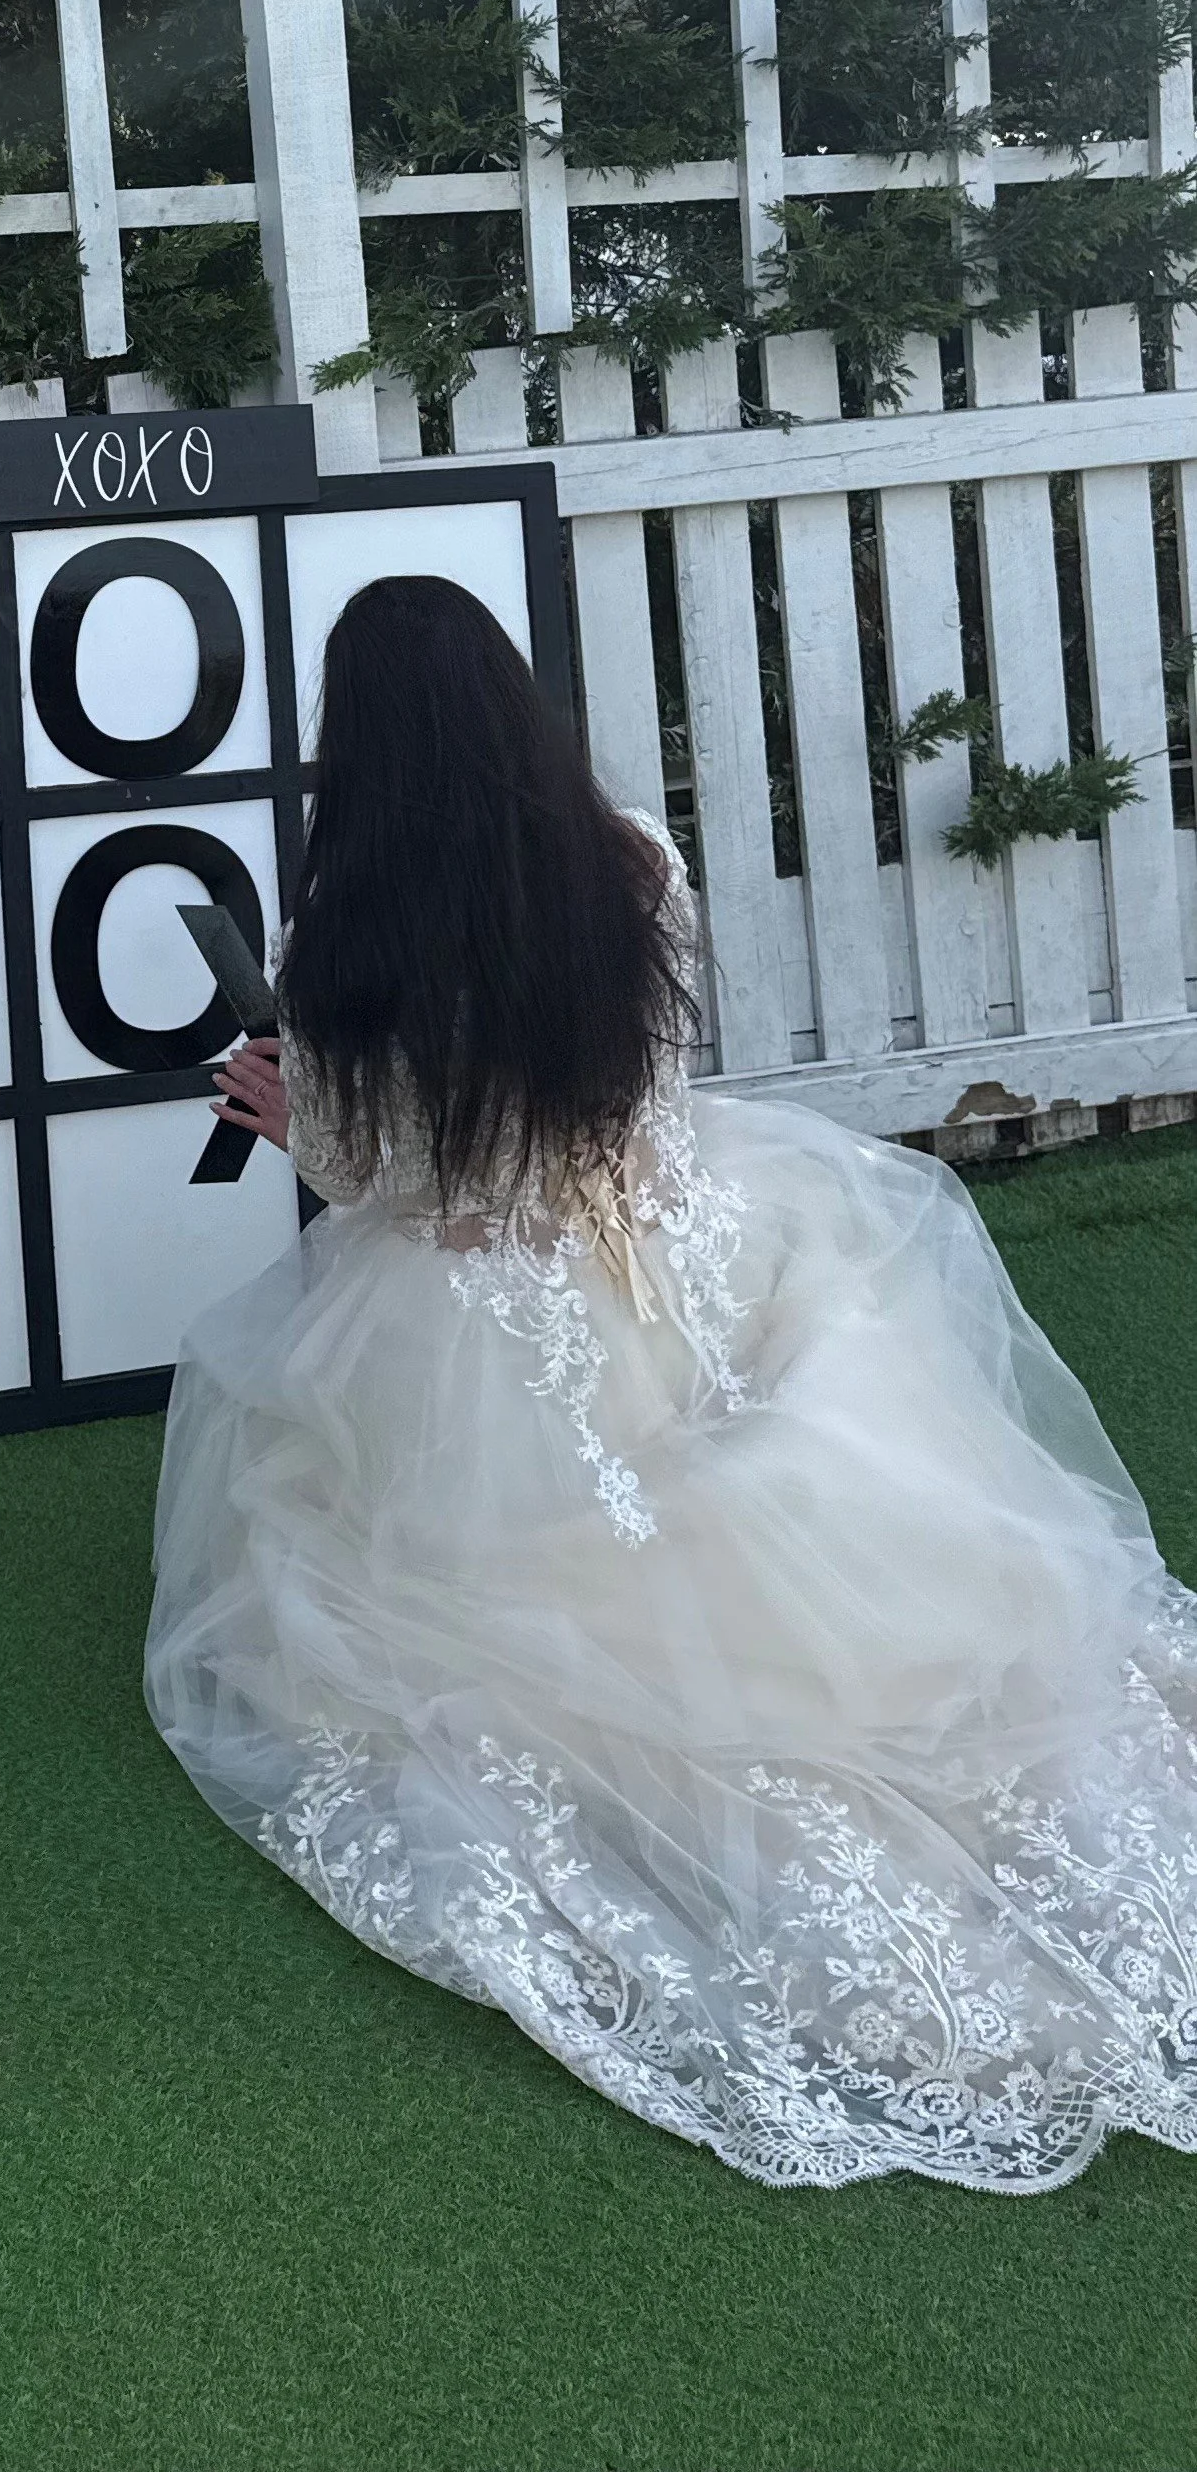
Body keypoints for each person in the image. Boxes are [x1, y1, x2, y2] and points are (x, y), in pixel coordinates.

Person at [146, 572, 1197, 2193]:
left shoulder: (347, 942)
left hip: (492, 1317)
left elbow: (388, 1184)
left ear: (358, 748)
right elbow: (640, 1082)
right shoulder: (636, 858)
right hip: (702, 1233)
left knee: (369, 1571)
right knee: (835, 1469)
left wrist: (292, 1108)